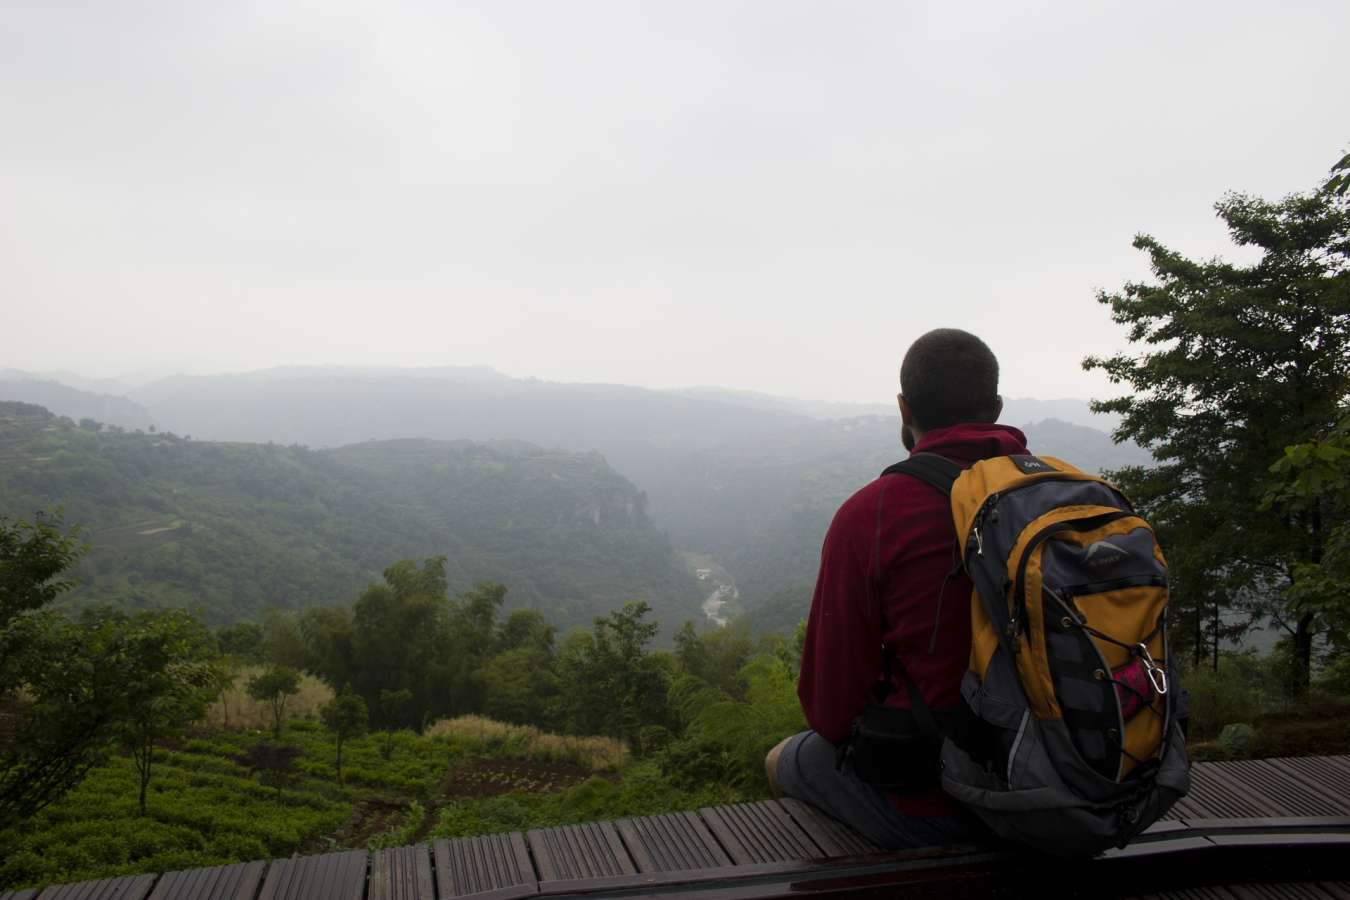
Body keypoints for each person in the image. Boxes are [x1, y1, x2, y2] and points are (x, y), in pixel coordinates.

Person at [766, 327, 1029, 849]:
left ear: (903, 407)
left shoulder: (876, 512)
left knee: (784, 759)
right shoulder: (1064, 495)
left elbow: (829, 710)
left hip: (948, 804)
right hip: (1085, 777)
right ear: (996, 408)